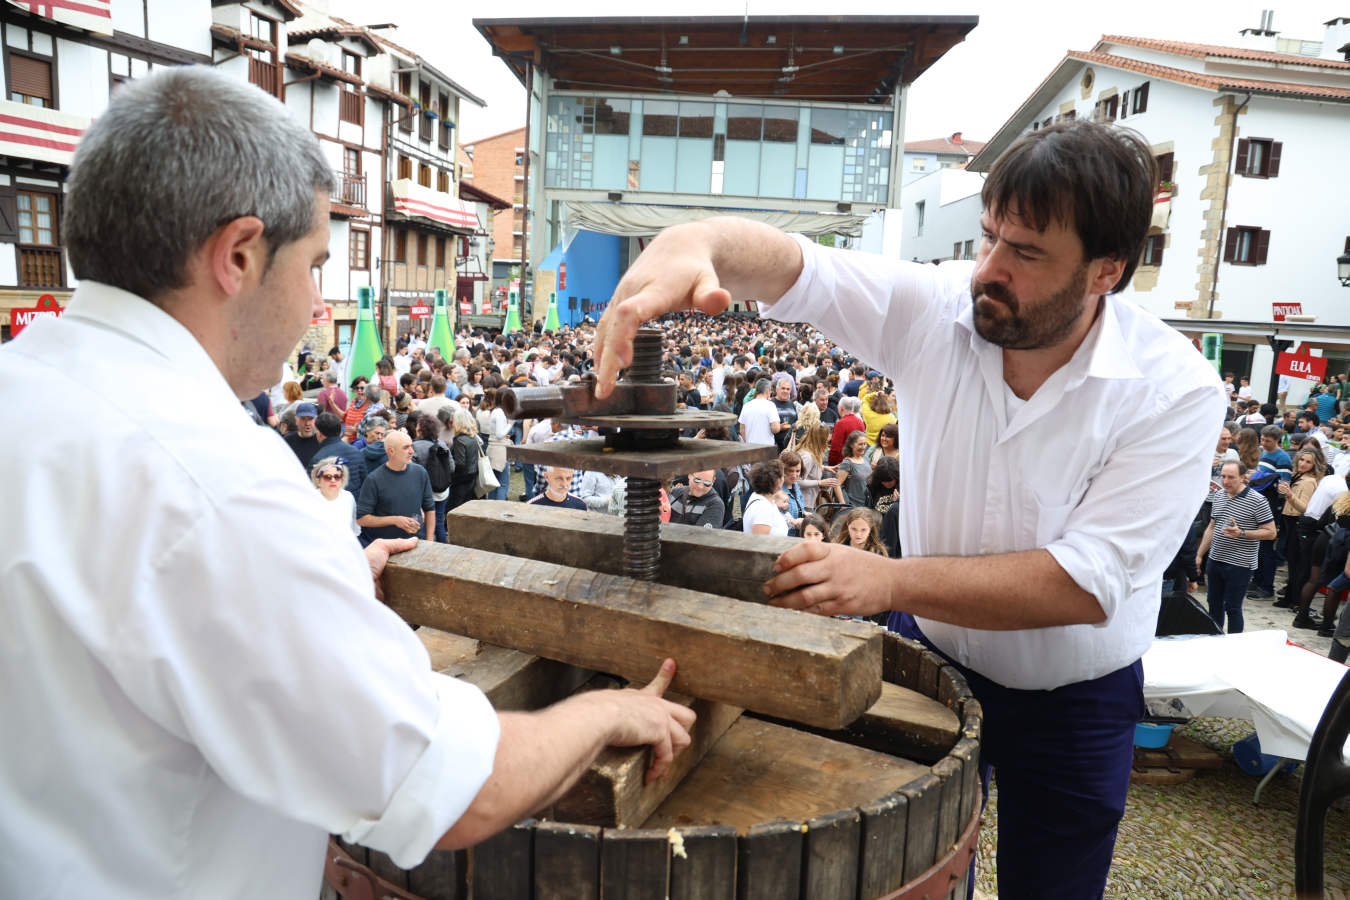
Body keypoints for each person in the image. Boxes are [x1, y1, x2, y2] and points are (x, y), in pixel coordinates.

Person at [0, 67, 694, 899]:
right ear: (239, 255)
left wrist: (314, 582)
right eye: (314, 265)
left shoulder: (24, 384)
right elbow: (447, 788)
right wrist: (608, 712)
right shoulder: (219, 480)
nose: (314, 306)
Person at [590, 120, 1226, 898]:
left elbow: (1086, 582)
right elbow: (802, 267)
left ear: (1106, 271)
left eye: (1026, 253)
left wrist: (888, 582)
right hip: (934, 658)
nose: (988, 269)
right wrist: (696, 241)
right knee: (907, 866)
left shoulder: (1175, 390)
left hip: (1077, 699)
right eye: (990, 236)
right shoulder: (940, 306)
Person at [1196, 461, 1276, 633]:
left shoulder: (1258, 500)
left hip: (1240, 564)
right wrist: (1200, 554)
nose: (1225, 481)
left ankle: (1235, 644)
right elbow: (1212, 527)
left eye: (1231, 477)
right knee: (1213, 604)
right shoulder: (1219, 496)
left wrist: (1243, 533)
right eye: (1223, 476)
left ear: (1243, 477)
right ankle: (1215, 639)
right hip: (1215, 559)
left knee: (1232, 607)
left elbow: (1271, 533)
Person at [356, 431, 435, 545]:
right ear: (391, 451)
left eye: (411, 446)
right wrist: (394, 520)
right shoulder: (374, 479)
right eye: (406, 447)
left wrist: (430, 540)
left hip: (417, 541)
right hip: (387, 546)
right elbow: (361, 519)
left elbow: (430, 508)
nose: (412, 451)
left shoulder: (420, 472)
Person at [312, 411, 366, 498]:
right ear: (340, 432)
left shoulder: (318, 459)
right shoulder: (356, 452)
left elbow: (312, 490)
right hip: (354, 502)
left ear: (319, 434)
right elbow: (364, 482)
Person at [312, 457, 359, 537]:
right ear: (318, 481)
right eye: (327, 477)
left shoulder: (348, 497)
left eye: (337, 477)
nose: (333, 480)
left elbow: (354, 528)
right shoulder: (310, 499)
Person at [742, 460, 790, 537]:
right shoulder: (762, 508)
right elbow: (760, 541)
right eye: (783, 476)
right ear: (778, 481)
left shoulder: (763, 499)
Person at [447, 407, 482, 512]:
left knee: (455, 509)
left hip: (460, 481)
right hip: (471, 477)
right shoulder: (473, 437)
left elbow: (460, 463)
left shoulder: (460, 440)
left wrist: (447, 461)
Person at [738, 378, 783, 446]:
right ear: (767, 390)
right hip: (766, 447)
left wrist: (748, 441)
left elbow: (742, 430)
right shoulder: (770, 405)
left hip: (750, 446)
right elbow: (775, 429)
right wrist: (780, 426)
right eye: (770, 390)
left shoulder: (746, 406)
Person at [836, 430, 872, 508]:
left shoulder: (866, 458)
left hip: (866, 505)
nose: (863, 447)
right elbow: (837, 485)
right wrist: (843, 505)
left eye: (865, 444)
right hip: (853, 506)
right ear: (851, 445)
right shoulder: (847, 463)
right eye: (860, 444)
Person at [283, 400, 323, 470]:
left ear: (316, 420)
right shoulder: (287, 440)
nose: (307, 423)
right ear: (296, 420)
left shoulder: (323, 440)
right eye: (303, 419)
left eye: (310, 419)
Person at [827, 396, 865, 466]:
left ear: (841, 408)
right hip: (857, 462)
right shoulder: (860, 422)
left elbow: (836, 448)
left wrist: (831, 464)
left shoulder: (841, 423)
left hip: (843, 463)